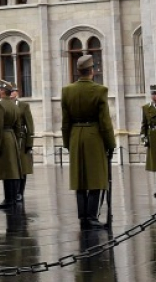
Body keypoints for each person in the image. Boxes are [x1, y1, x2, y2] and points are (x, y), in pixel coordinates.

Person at [62, 55, 116, 229]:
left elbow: (65, 122)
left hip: (75, 136)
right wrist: (111, 144)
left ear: (78, 71)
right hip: (94, 136)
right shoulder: (100, 91)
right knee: (95, 178)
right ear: (91, 71)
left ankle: (83, 216)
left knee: (79, 179)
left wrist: (67, 142)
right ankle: (91, 216)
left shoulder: (67, 91)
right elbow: (105, 122)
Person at [0, 80, 22, 210]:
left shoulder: (0, 106)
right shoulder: (15, 106)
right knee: (12, 171)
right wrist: (15, 140)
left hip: (3, 138)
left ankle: (9, 200)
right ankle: (12, 198)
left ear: (3, 91)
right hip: (12, 138)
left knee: (6, 171)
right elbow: (18, 127)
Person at [11, 84, 34, 202]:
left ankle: (20, 192)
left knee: (22, 167)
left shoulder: (23, 106)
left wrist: (29, 143)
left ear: (17, 92)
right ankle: (12, 193)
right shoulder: (3, 105)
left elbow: (30, 125)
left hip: (21, 139)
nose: (12, 93)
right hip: (10, 139)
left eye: (14, 91)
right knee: (11, 167)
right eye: (10, 91)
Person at [141, 84, 156, 198]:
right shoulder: (146, 108)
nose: (154, 96)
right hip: (153, 138)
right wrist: (144, 138)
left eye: (155, 94)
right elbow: (144, 125)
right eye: (153, 94)